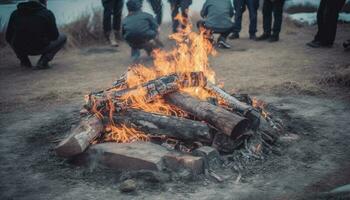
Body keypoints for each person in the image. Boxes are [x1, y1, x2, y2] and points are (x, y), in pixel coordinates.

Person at [6, 0, 67, 69]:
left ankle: (25, 62)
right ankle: (43, 62)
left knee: (14, 41)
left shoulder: (15, 13)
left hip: (21, 48)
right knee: (63, 37)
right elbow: (54, 36)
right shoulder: (47, 14)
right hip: (40, 47)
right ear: (45, 2)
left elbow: (8, 37)